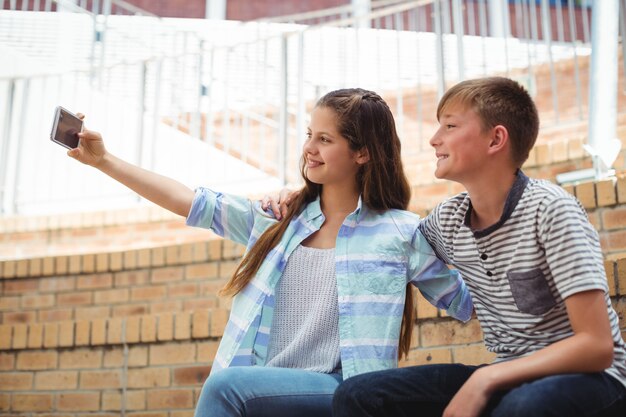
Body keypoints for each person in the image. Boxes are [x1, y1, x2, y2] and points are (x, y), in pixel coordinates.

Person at [67, 88, 473, 417]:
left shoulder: (399, 231)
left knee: (226, 386)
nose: (309, 148)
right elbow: (189, 201)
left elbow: (463, 301)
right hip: (264, 387)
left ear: (362, 152)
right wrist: (103, 161)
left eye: (325, 139)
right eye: (309, 135)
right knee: (232, 385)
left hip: (342, 390)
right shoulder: (279, 219)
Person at [326, 77, 626, 416]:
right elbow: (390, 237)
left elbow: (597, 346)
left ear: (496, 138)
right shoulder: (450, 220)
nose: (434, 139)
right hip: (508, 376)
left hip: (594, 379)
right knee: (360, 395)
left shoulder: (551, 210)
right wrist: (305, 202)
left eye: (450, 126)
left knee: (520, 406)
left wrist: (486, 379)